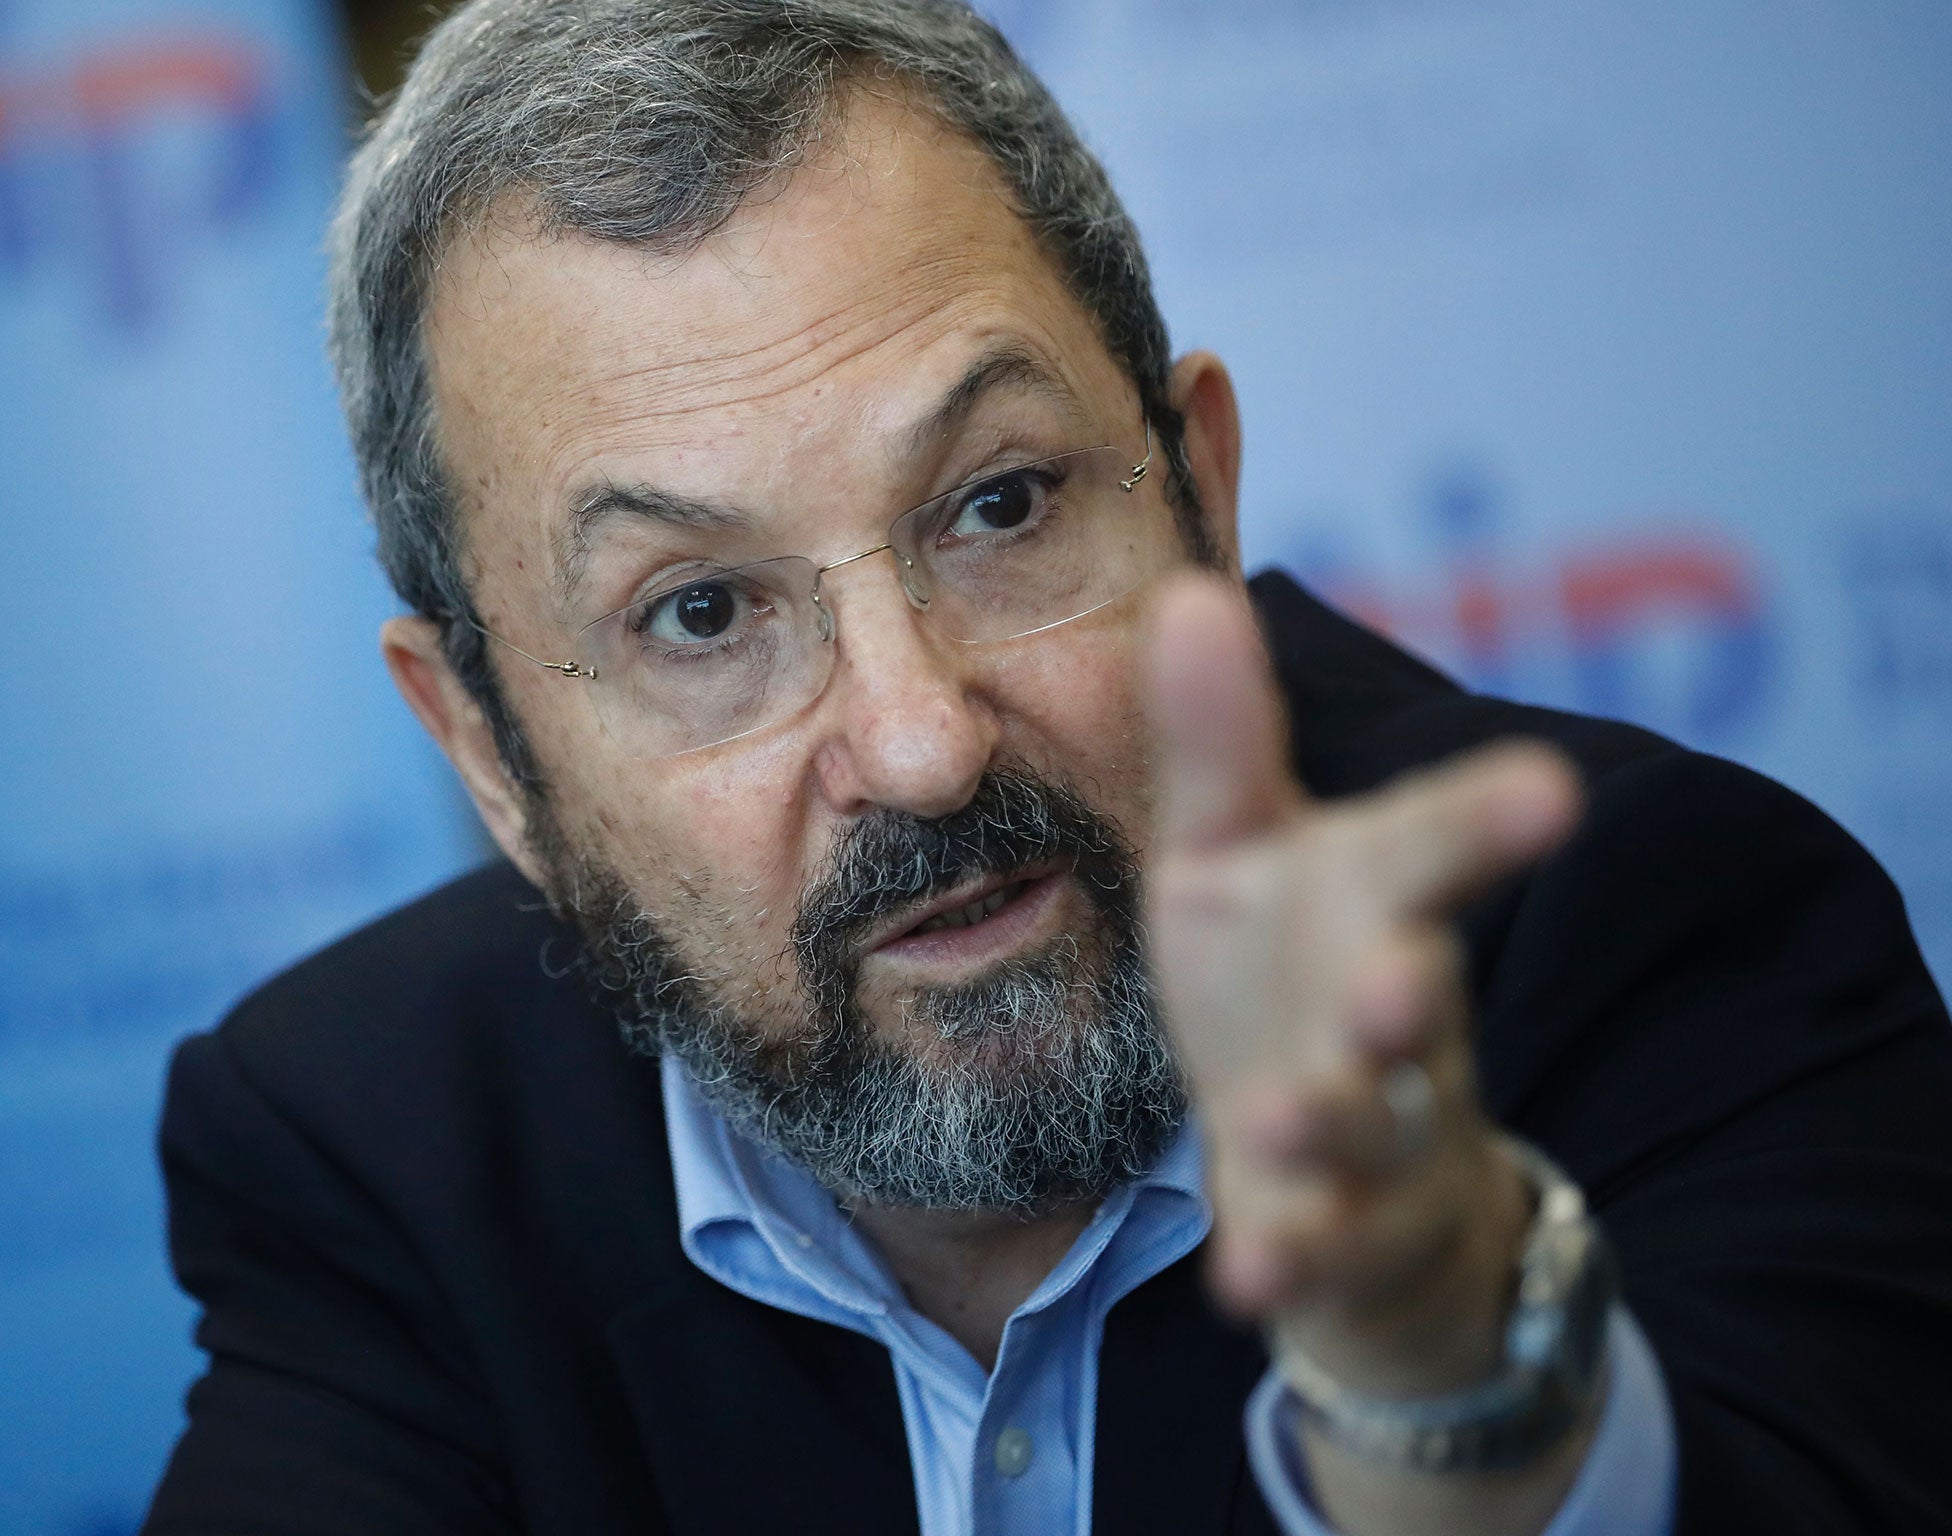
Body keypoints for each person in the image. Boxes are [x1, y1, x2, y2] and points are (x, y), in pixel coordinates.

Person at [140, 2, 1952, 1533]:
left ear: (1202, 497)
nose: (922, 746)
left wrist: (1441, 1375)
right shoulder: (364, 1142)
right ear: (494, 759)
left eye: (999, 507)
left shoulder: (1658, 930)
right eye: (698, 616)